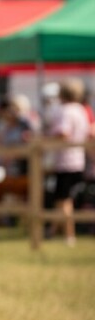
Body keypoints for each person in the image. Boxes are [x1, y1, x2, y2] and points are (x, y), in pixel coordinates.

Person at [47, 78, 90, 246]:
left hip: (66, 160)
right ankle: (51, 231)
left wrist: (47, 139)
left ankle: (69, 235)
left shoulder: (65, 110)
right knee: (61, 198)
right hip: (78, 160)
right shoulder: (80, 109)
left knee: (64, 200)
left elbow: (63, 133)